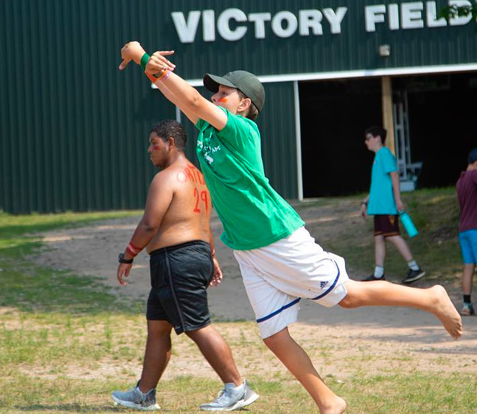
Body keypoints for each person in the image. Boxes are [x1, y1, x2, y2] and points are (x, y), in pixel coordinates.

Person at [118, 41, 462, 414]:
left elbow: (194, 101)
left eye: (223, 92)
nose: (214, 96)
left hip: (275, 234)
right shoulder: (209, 131)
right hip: (247, 248)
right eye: (215, 91)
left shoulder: (241, 131)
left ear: (244, 104)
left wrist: (141, 55)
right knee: (274, 335)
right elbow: (179, 94)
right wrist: (146, 66)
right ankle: (328, 401)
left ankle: (432, 298)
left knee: (347, 296)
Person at [111, 120, 258, 412]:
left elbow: (150, 223)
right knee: (158, 327)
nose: (149, 150)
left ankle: (237, 387)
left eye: (154, 143)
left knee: (197, 326)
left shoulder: (166, 178)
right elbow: (201, 221)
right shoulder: (198, 177)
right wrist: (211, 256)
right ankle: (144, 393)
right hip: (194, 254)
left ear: (171, 143)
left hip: (175, 261)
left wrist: (128, 254)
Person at [360, 126, 425, 284]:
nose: (366, 142)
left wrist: (398, 200)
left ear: (378, 138)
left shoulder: (384, 154)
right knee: (379, 238)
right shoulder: (377, 158)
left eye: (368, 138)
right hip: (379, 207)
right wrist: (365, 201)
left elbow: (395, 175)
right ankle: (378, 273)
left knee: (393, 236)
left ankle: (415, 268)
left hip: (387, 206)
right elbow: (377, 186)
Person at [456, 148, 477, 316]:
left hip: (463, 229)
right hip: (475, 228)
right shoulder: (474, 176)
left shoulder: (460, 181)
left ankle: (466, 305)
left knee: (469, 266)